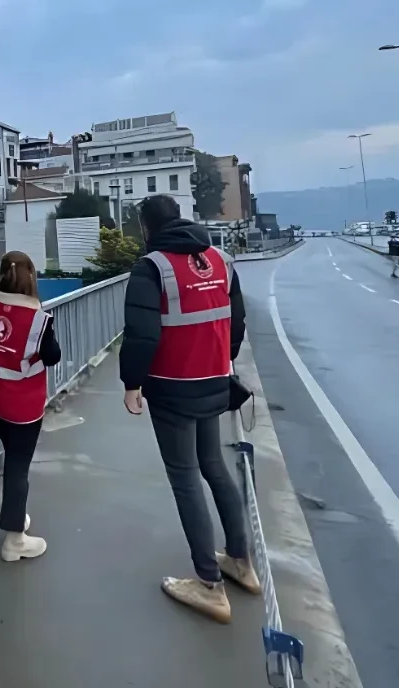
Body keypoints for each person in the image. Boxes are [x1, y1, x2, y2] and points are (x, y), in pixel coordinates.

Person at [119, 195, 260, 624]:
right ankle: (241, 561)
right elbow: (236, 320)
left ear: (147, 228)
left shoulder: (152, 268)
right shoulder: (220, 260)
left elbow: (141, 335)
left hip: (172, 390)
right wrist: (223, 362)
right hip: (214, 381)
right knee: (213, 465)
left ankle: (209, 584)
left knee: (184, 479)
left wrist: (132, 384)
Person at [0, 251, 61, 562]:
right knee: (18, 467)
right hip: (24, 407)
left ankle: (16, 516)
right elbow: (52, 356)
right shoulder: (38, 318)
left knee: (13, 460)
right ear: (30, 277)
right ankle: (14, 540)